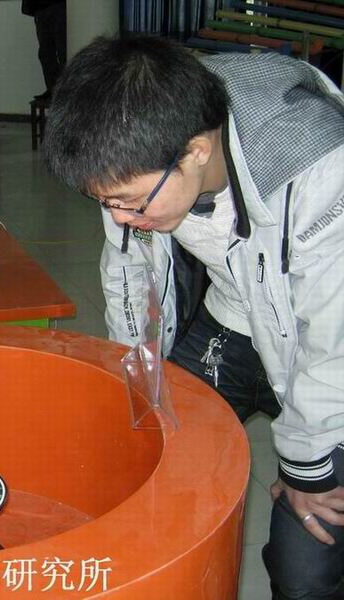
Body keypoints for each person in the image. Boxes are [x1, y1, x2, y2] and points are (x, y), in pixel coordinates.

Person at [44, 36, 344, 599]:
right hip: (233, 319)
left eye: (131, 201)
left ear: (197, 151)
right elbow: (127, 273)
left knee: (305, 569)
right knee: (151, 464)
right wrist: (140, 377)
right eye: (105, 202)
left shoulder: (320, 165)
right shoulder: (135, 153)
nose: (120, 218)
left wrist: (306, 468)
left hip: (325, 350)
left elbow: (335, 339)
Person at [21, 0, 65, 101]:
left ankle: (63, 89)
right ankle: (53, 89)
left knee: (62, 52)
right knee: (45, 53)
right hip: (41, 9)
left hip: (56, 6)